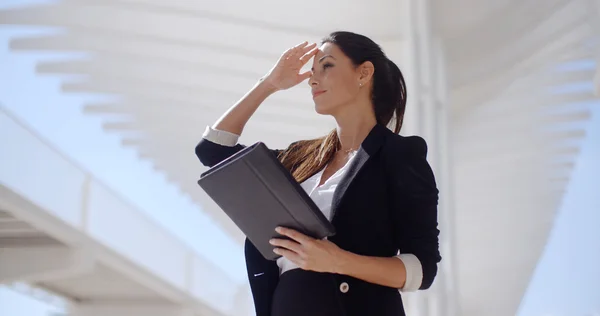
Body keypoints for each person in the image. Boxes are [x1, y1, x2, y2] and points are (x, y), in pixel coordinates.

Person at [195, 31, 441, 316]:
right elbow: (212, 150)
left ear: (364, 72)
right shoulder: (300, 157)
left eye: (326, 66)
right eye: (312, 72)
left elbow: (422, 270)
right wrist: (270, 84)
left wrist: (338, 261)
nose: (313, 80)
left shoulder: (399, 154)